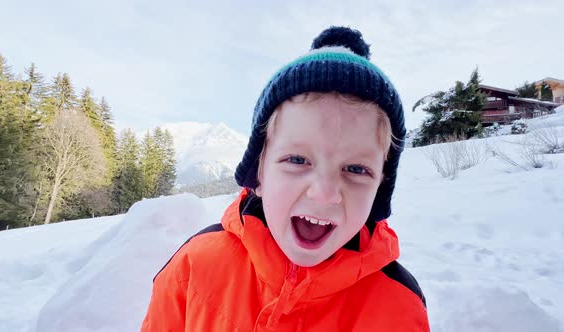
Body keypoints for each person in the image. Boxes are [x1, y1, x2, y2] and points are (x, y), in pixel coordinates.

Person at [141, 26, 430, 331]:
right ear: (259, 173)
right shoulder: (194, 266)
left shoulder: (399, 306)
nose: (324, 193)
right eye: (297, 160)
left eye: (356, 169)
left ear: (379, 191)